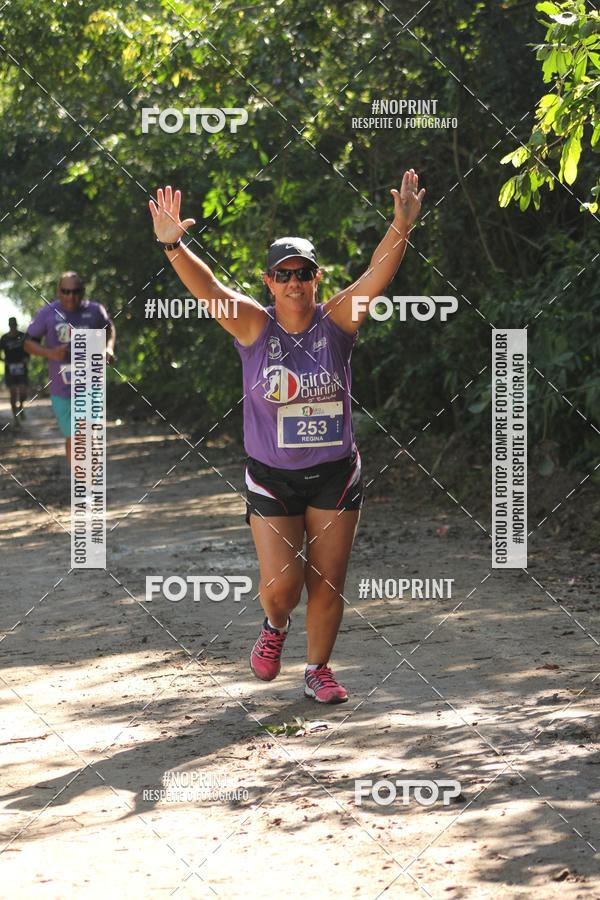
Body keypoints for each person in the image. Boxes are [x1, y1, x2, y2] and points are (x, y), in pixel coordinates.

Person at [149, 173, 425, 703]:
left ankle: (318, 670)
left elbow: (376, 276)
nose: (294, 282)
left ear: (317, 277)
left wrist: (401, 226)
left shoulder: (337, 321)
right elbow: (210, 290)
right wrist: (173, 245)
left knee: (328, 581)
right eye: (283, 274)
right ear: (269, 281)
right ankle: (275, 626)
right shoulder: (254, 326)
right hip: (273, 476)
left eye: (302, 273)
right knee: (283, 589)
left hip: (335, 473)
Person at [23, 272, 116, 463]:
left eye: (75, 291)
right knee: (72, 437)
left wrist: (108, 348)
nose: (71, 296)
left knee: (87, 432)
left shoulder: (95, 310)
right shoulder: (48, 313)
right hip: (61, 389)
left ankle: (89, 478)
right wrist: (50, 353)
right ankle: (80, 476)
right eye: (66, 291)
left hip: (91, 383)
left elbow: (109, 328)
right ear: (58, 291)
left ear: (83, 291)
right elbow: (28, 343)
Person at [0, 317, 29, 425]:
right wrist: (4, 361)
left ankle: (21, 407)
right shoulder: (4, 338)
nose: (13, 327)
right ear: (9, 325)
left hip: (22, 368)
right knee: (13, 394)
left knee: (23, 392)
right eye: (11, 325)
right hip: (10, 369)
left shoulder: (23, 336)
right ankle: (15, 417)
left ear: (16, 325)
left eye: (14, 325)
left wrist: (27, 358)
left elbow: (30, 348)